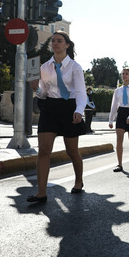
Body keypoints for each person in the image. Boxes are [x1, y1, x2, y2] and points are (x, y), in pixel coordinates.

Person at [27, 31, 87, 202]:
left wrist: (78, 111)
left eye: (59, 41)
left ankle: (78, 181)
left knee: (72, 151)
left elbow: (81, 93)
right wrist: (35, 88)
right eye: (53, 41)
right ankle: (41, 192)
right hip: (51, 108)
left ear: (67, 45)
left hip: (70, 108)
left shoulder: (75, 67)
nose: (55, 43)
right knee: (44, 150)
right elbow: (43, 94)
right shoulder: (45, 67)